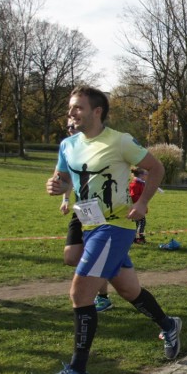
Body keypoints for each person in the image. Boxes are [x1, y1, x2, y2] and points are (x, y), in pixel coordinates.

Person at [39, 85, 181, 374]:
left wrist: (142, 204)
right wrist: (57, 187)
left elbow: (154, 168)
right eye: (70, 108)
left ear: (97, 111)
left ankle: (77, 369)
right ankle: (169, 325)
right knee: (129, 289)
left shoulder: (119, 141)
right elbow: (63, 178)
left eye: (77, 108)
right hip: (86, 221)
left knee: (80, 294)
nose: (71, 113)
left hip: (115, 225)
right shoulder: (68, 144)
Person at [60, 119, 113, 313]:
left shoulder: (96, 147)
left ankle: (102, 296)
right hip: (81, 207)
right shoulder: (68, 148)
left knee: (96, 257)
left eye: (73, 126)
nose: (71, 129)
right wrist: (65, 199)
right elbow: (67, 178)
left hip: (98, 209)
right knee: (71, 257)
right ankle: (97, 278)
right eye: (68, 127)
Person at [129, 168, 148, 244]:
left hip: (139, 206)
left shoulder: (141, 183)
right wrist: (141, 204)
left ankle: (135, 238)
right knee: (141, 222)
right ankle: (139, 238)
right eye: (146, 174)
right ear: (141, 175)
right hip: (136, 207)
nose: (147, 176)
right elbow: (133, 196)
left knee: (138, 222)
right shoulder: (135, 184)